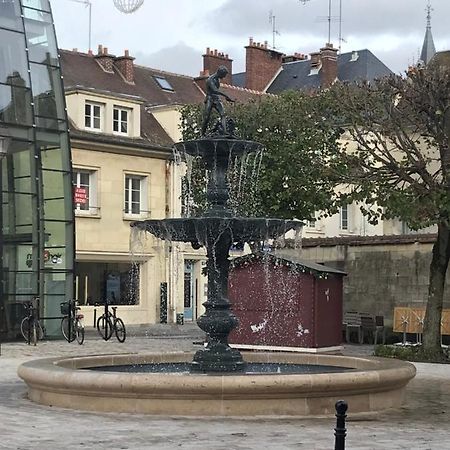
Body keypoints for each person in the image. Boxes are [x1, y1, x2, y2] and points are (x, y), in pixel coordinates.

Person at [201, 65, 235, 135]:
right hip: (210, 98)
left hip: (216, 98)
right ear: (220, 73)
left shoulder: (217, 79)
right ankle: (202, 134)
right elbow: (215, 90)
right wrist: (226, 96)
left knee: (223, 114)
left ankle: (225, 132)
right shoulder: (210, 80)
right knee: (207, 117)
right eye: (224, 75)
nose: (224, 77)